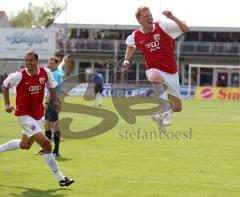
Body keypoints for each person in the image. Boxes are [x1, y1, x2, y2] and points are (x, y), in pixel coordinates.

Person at [0, 51, 74, 187]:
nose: (28, 63)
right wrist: (7, 104)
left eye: (31, 60)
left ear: (37, 61)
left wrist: (55, 101)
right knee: (46, 144)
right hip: (24, 116)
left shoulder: (45, 72)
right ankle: (61, 178)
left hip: (38, 114)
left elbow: (52, 87)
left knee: (25, 145)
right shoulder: (19, 75)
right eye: (26, 60)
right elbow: (4, 85)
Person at [123, 7, 189, 132]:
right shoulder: (136, 35)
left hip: (171, 71)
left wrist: (172, 17)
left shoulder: (163, 26)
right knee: (155, 77)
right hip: (153, 69)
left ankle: (161, 112)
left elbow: (186, 28)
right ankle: (165, 112)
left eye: (150, 15)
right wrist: (127, 59)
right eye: (146, 16)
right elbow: (130, 46)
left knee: (177, 108)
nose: (149, 17)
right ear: (139, 20)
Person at [38, 56, 68, 157]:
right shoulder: (58, 69)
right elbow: (61, 65)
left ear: (55, 64)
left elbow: (53, 90)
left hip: (52, 101)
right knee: (46, 125)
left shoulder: (55, 74)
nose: (49, 65)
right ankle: (45, 149)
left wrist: (47, 102)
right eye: (49, 63)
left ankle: (56, 151)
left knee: (54, 126)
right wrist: (64, 60)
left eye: (51, 64)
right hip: (52, 100)